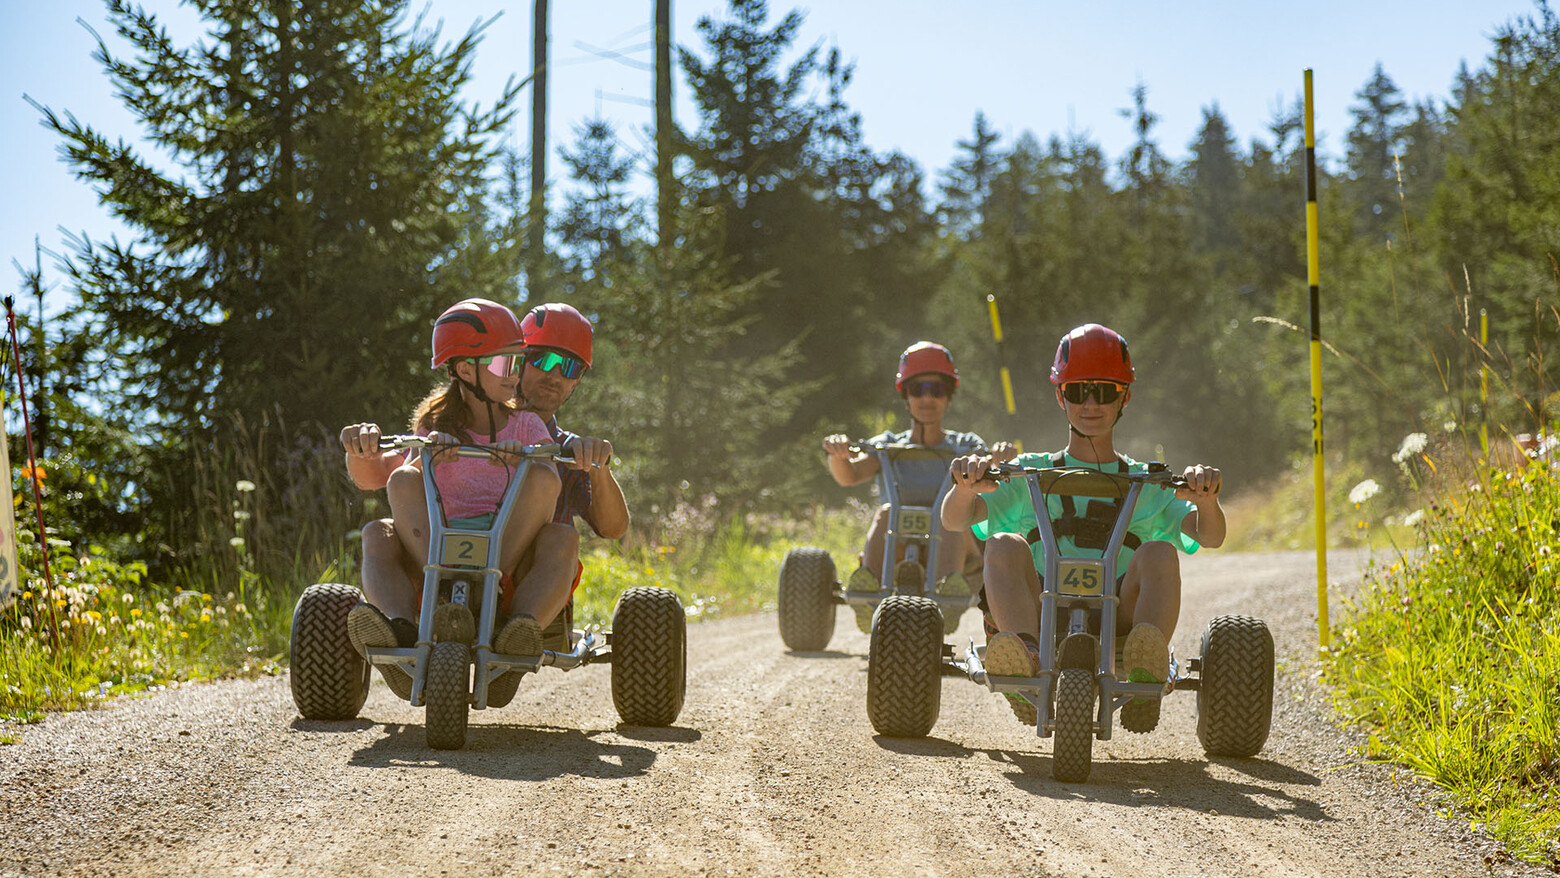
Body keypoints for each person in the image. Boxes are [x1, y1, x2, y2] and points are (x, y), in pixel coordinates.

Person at [340, 300, 627, 706]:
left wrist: (596, 465)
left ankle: (515, 636)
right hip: (435, 561)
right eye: (540, 359)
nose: (554, 375)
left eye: (569, 367)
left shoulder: (560, 445)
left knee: (561, 530)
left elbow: (614, 528)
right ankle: (398, 633)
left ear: (578, 380)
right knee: (378, 528)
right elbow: (385, 475)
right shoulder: (440, 423)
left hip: (517, 579)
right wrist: (364, 447)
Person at [941, 323, 1225, 723]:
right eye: (1078, 391)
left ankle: (1146, 668)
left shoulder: (1148, 480)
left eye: (1105, 391)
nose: (1091, 404)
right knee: (1002, 542)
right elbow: (954, 520)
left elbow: (1210, 537)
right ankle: (1025, 657)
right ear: (1060, 396)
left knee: (1160, 552)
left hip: (1121, 616)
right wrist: (965, 487)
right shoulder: (1028, 471)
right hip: (1037, 610)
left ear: (1125, 396)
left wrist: (1207, 501)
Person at [822, 341, 1012, 631]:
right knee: (887, 512)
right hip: (897, 544)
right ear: (906, 395)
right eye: (917, 389)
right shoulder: (887, 445)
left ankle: (947, 599)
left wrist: (1000, 457)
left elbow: (991, 469)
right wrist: (838, 455)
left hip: (958, 552)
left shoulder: (967, 445)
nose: (927, 398)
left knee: (948, 517)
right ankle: (868, 595)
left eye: (937, 390)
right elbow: (849, 475)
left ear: (948, 397)